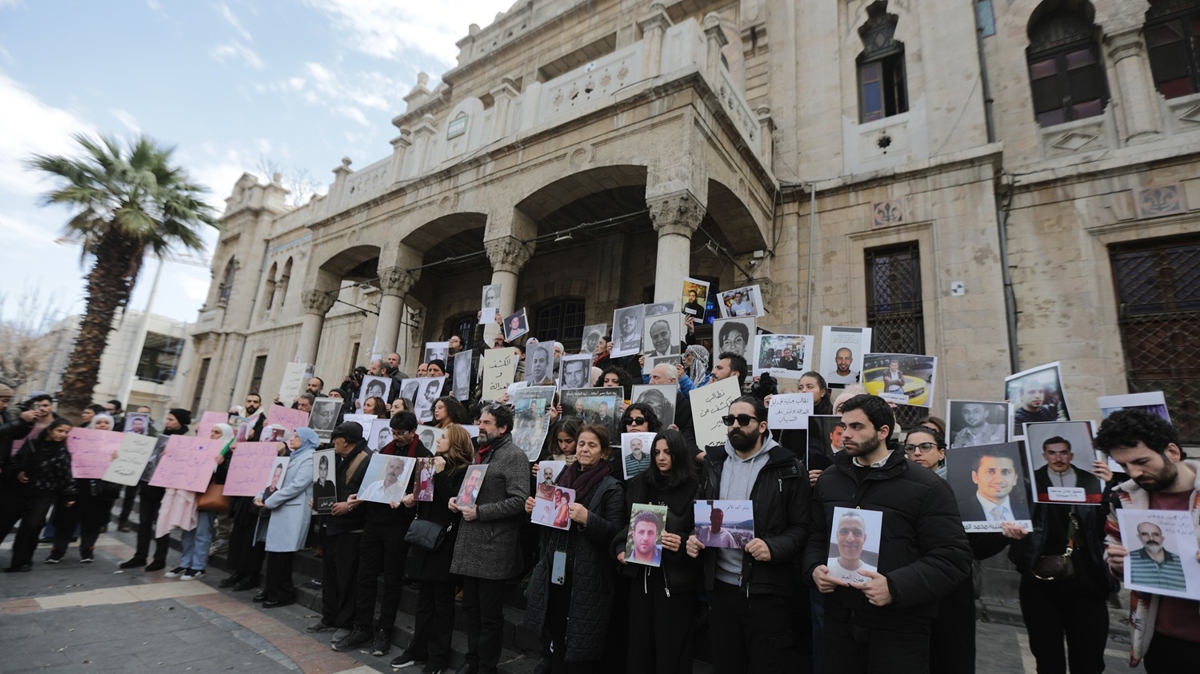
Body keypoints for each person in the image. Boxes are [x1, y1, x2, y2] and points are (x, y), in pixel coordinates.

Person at [807, 394, 971, 674]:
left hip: (900, 627)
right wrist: (813, 569)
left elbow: (952, 558)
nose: (846, 434)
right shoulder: (829, 481)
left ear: (883, 431)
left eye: (857, 427)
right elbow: (815, 537)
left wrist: (895, 587)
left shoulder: (927, 486)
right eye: (844, 426)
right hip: (840, 622)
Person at [685, 396, 810, 674]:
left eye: (744, 420)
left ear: (762, 425)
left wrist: (773, 547)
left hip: (765, 591)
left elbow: (802, 527)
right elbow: (702, 513)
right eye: (730, 420)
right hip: (719, 589)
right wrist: (694, 537)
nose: (735, 426)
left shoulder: (788, 467)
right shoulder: (713, 463)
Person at [1098, 409, 1200, 669]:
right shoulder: (1124, 499)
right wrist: (1116, 563)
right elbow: (1111, 548)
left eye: (1142, 461)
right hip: (1160, 639)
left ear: (1173, 452)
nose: (1133, 473)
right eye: (1123, 465)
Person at [524, 424, 624, 672]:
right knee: (557, 630)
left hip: (589, 573)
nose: (585, 449)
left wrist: (589, 520)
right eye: (581, 444)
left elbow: (615, 532)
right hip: (557, 566)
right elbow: (547, 526)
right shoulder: (562, 478)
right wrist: (534, 509)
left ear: (604, 452)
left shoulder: (611, 487)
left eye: (592, 445)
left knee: (581, 642)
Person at [337, 413, 429, 656]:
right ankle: (362, 626)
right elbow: (371, 483)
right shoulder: (384, 451)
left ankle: (384, 630)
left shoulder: (423, 455)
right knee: (365, 575)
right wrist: (359, 498)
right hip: (374, 521)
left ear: (413, 431)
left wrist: (412, 501)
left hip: (398, 525)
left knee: (392, 578)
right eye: (393, 432)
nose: (396, 437)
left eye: (401, 433)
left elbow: (425, 493)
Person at [448, 405, 529, 674]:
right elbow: (473, 489)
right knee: (471, 608)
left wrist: (480, 512)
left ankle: (486, 666)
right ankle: (472, 660)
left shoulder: (514, 456)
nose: (480, 426)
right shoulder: (479, 453)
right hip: (471, 542)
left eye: (487, 422)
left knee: (490, 614)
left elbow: (519, 500)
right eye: (479, 421)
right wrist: (457, 501)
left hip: (494, 545)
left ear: (503, 428)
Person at [612, 429, 700, 674]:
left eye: (668, 452)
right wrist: (620, 548)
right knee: (639, 648)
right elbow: (625, 526)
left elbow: (701, 533)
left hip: (674, 582)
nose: (662, 458)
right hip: (640, 578)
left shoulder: (694, 487)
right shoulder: (640, 483)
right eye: (658, 452)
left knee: (671, 650)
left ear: (679, 455)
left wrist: (681, 542)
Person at [391, 424, 474, 672]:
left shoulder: (463, 471)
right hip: (424, 538)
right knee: (424, 600)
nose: (439, 440)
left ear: (456, 442)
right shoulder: (429, 464)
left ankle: (438, 656)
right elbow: (424, 499)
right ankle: (417, 649)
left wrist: (438, 474)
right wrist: (410, 500)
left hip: (445, 541)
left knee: (442, 602)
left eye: (445, 437)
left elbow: (456, 502)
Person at [305, 422, 371, 640]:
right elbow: (326, 486)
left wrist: (349, 506)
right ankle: (329, 617)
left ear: (347, 440)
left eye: (337, 438)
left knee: (347, 578)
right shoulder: (331, 457)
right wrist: (319, 501)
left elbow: (370, 493)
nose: (333, 442)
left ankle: (346, 622)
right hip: (330, 525)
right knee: (330, 575)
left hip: (352, 529)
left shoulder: (367, 459)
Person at [119, 408, 190, 573]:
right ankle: (140, 556)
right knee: (144, 523)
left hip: (166, 490)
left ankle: (160, 559)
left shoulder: (186, 440)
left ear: (180, 421)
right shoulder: (160, 436)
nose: (167, 422)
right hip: (148, 485)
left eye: (171, 419)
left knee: (161, 525)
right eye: (167, 418)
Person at [0, 418, 76, 572]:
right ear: (49, 430)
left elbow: (65, 475)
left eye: (66, 432)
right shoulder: (31, 444)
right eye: (60, 430)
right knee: (2, 522)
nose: (63, 435)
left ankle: (22, 563)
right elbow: (15, 463)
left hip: (42, 496)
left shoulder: (62, 452)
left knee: (31, 527)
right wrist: (18, 473)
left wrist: (70, 495)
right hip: (17, 492)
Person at [253, 427, 316, 608]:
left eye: (297, 436)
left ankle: (282, 593)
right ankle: (271, 589)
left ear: (306, 440)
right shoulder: (293, 456)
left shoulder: (309, 458)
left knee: (283, 556)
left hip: (292, 511)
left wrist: (270, 501)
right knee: (274, 554)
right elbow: (275, 480)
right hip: (280, 508)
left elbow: (297, 485)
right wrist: (260, 495)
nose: (292, 438)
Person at [957, 448, 1031, 523]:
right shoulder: (957, 511)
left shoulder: (1028, 510)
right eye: (991, 472)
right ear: (975, 476)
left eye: (1005, 472)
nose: (998, 480)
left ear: (1015, 478)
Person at [1033, 435, 1102, 502]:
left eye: (1063, 453)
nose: (1058, 459)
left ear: (1071, 456)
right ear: (1044, 456)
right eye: (1052, 453)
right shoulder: (1034, 478)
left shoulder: (1089, 478)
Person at [1129, 522, 1188, 591]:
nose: (1151, 538)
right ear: (1139, 537)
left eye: (1155, 534)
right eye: (1145, 534)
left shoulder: (1181, 562)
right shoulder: (1130, 558)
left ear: (1162, 538)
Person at [826, 510, 875, 584]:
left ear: (864, 538)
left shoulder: (873, 574)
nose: (850, 539)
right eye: (844, 532)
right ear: (837, 535)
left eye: (857, 532)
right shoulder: (824, 568)